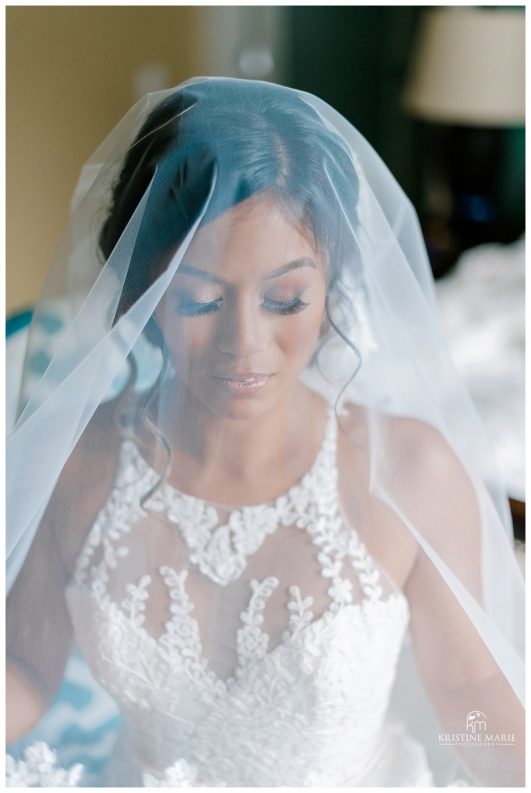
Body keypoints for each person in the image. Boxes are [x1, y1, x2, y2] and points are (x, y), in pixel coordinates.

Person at [6, 77, 524, 787]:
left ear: (333, 284)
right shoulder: (78, 458)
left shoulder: (412, 468)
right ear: (141, 292)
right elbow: (27, 665)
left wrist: (505, 754)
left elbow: (469, 692)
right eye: (199, 298)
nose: (243, 345)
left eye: (285, 299)